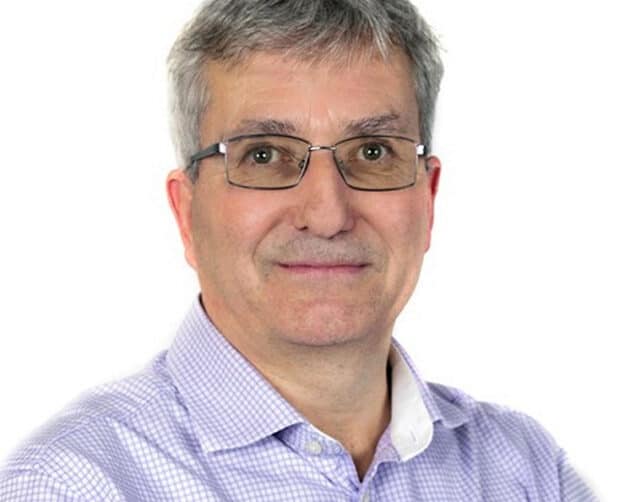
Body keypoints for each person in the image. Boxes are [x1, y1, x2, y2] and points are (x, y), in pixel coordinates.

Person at [0, 0, 598, 500]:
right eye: (263, 155)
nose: (328, 214)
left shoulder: (525, 472)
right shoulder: (72, 486)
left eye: (372, 152)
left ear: (428, 198)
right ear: (186, 212)